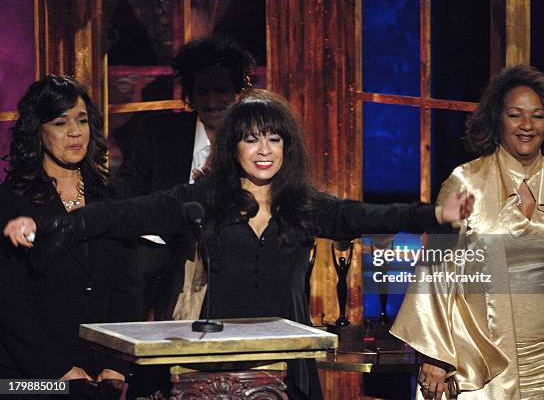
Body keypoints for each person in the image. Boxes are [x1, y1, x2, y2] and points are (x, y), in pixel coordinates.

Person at [5, 89, 472, 399]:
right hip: (213, 373)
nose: (264, 150)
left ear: (287, 147)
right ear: (234, 148)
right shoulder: (202, 201)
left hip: (287, 370)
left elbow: (367, 215)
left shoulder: (303, 205)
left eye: (273, 139)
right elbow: (120, 214)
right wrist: (47, 227)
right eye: (251, 140)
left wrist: (436, 214)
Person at [390, 65, 544, 400]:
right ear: (497, 119)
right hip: (481, 351)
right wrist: (435, 354)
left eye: (538, 116)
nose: (527, 125)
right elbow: (436, 269)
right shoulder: (466, 181)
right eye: (515, 115)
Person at [0, 76, 139, 396]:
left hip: (105, 371)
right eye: (61, 122)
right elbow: (9, 301)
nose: (75, 132)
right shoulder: (9, 203)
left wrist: (118, 363)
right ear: (38, 131)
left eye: (82, 120)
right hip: (30, 376)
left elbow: (129, 286)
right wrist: (57, 370)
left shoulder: (113, 195)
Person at [112, 35, 255, 320]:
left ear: (238, 91)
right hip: (167, 258)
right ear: (189, 94)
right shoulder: (161, 134)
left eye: (221, 90)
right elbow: (130, 188)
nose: (212, 101)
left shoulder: (257, 139)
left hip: (237, 252)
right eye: (202, 91)